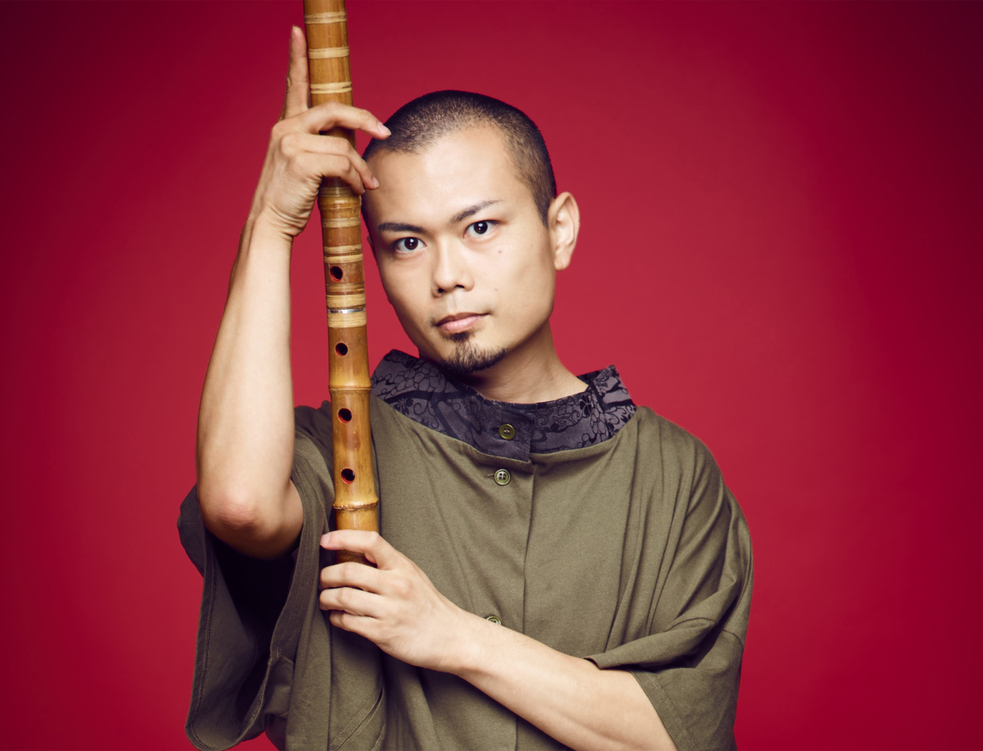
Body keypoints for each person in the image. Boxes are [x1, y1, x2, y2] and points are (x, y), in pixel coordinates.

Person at [179, 27, 752, 751]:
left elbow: (679, 735)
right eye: (407, 243)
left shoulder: (673, 474)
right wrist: (270, 224)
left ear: (560, 230)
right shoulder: (344, 447)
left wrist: (452, 635)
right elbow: (238, 504)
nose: (447, 276)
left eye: (479, 226)